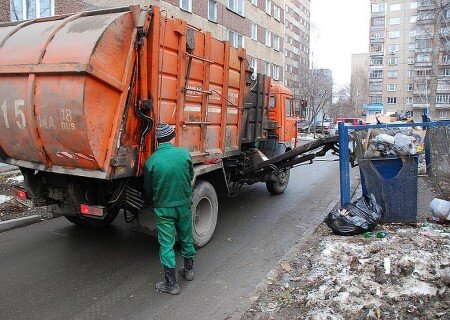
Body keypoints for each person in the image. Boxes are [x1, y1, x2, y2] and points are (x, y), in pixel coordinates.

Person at [143, 123, 196, 295]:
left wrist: (153, 202)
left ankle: (171, 284)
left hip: (163, 209)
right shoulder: (184, 154)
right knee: (186, 236)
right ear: (172, 138)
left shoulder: (151, 161)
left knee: (166, 244)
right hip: (183, 205)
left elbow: (148, 189)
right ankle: (188, 271)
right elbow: (191, 176)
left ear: (158, 141)